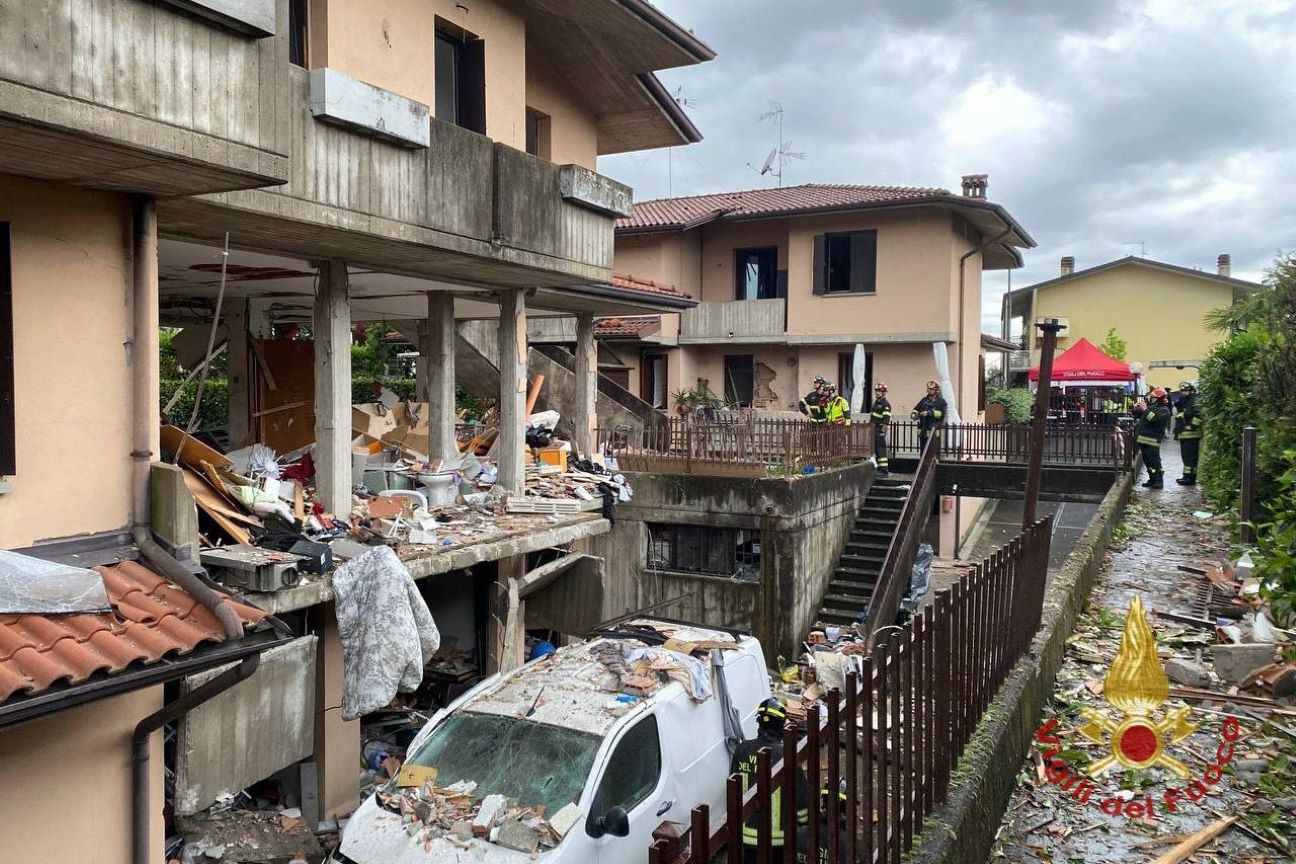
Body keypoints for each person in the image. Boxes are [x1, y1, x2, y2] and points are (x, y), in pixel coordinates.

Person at [732, 698, 808, 863]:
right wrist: (805, 824)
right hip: (778, 842)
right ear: (781, 725)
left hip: (746, 838)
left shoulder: (741, 750)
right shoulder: (786, 755)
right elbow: (802, 800)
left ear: (759, 722)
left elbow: (733, 789)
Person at [1133, 388, 1172, 489]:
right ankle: (1152, 479)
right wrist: (1136, 409)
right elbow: (1139, 416)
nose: (1150, 398)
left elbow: (1153, 419)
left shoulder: (1164, 410)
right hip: (1143, 439)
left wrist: (1145, 409)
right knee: (1148, 462)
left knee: (1155, 461)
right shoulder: (1152, 407)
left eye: (1153, 397)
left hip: (1152, 440)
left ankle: (1159, 481)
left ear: (1158, 399)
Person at [1173, 381, 1204, 485]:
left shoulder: (1194, 400)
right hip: (1184, 434)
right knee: (1186, 457)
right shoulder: (1185, 400)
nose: (1184, 393)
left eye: (1186, 391)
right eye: (1182, 391)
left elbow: (1199, 415)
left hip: (1191, 434)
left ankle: (1190, 478)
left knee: (1190, 457)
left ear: (1191, 391)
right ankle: (1187, 476)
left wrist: (1192, 426)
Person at [910, 380, 947, 453]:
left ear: (936, 390)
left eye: (932, 389)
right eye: (929, 389)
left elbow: (942, 414)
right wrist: (914, 414)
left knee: (932, 452)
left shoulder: (941, 402)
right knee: (923, 452)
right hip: (923, 431)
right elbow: (916, 409)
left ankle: (935, 461)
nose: (929, 390)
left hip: (933, 431)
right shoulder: (924, 400)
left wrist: (929, 413)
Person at [870, 383, 892, 476]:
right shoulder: (876, 402)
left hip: (880, 429)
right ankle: (879, 468)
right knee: (876, 449)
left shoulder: (885, 404)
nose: (877, 393)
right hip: (874, 429)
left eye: (879, 391)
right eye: (876, 391)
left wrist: (883, 431)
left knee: (881, 450)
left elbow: (886, 420)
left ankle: (884, 470)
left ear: (884, 393)